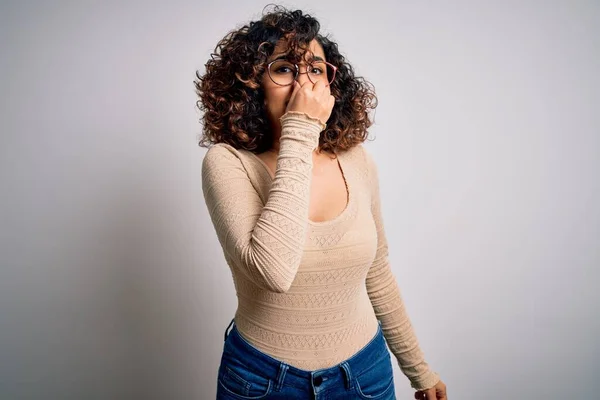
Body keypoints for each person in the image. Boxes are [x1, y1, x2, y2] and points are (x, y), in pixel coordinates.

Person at [195, 5, 448, 400]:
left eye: (315, 68)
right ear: (250, 85)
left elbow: (377, 271)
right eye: (284, 69)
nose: (303, 84)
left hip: (364, 374)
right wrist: (300, 129)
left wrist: (420, 371)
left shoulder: (356, 159)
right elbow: (274, 271)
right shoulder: (228, 164)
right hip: (262, 381)